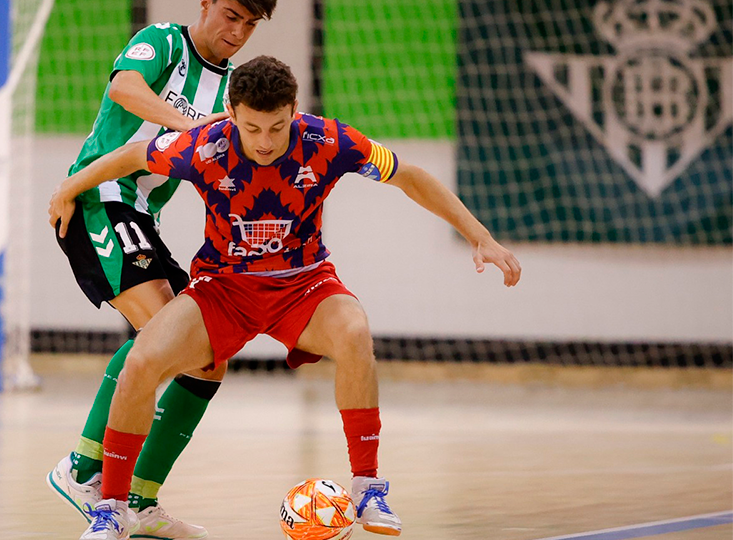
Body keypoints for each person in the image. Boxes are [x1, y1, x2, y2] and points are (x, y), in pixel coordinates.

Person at [48, 55, 522, 540]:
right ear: (231, 113)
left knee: (355, 331)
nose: (266, 142)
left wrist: (479, 234)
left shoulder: (329, 140)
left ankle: (368, 488)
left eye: (277, 126)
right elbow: (130, 156)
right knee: (143, 360)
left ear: (295, 109)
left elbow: (410, 176)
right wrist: (70, 186)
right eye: (253, 128)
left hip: (304, 285)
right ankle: (111, 511)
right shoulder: (203, 144)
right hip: (224, 288)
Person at [46, 2, 276, 539]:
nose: (236, 31)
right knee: (162, 333)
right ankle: (82, 470)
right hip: (101, 199)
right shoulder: (164, 43)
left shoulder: (234, 92)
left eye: (249, 23)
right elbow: (124, 88)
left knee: (208, 361)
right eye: (230, 14)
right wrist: (193, 126)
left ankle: (140, 501)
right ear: (205, 4)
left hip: (145, 217)